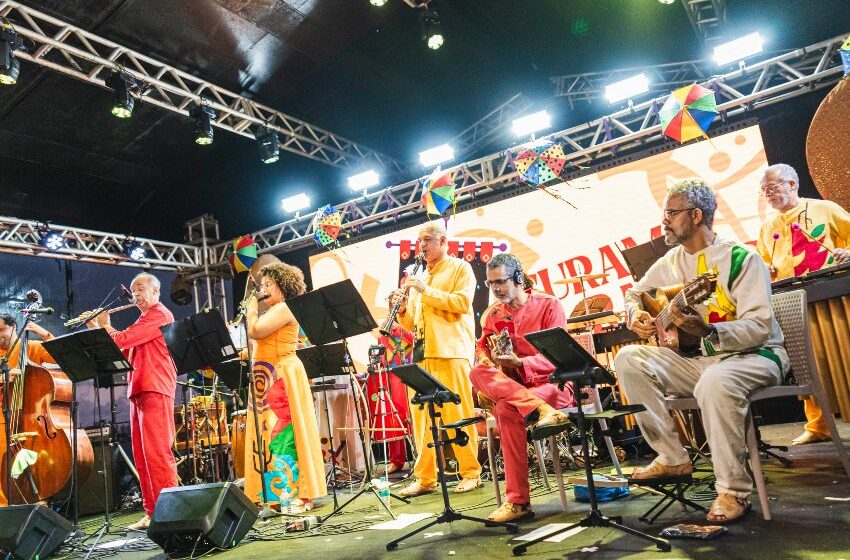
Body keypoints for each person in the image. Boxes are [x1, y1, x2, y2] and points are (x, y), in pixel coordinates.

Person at [615, 179, 788, 524]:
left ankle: (733, 491)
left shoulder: (741, 258)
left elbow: (760, 328)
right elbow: (634, 293)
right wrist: (635, 314)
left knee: (714, 381)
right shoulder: (673, 260)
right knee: (628, 358)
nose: (664, 221)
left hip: (758, 356)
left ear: (696, 215)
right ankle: (671, 456)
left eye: (671, 213)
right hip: (703, 361)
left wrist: (710, 330)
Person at [469, 253, 572, 523]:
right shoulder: (492, 315)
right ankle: (542, 410)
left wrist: (521, 363)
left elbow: (559, 357)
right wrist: (483, 357)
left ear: (517, 278)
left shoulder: (549, 305)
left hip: (553, 383)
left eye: (500, 282)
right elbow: (482, 345)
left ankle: (517, 502)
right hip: (521, 390)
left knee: (505, 408)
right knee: (476, 371)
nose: (495, 289)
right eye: (491, 284)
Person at [754, 163, 850, 446]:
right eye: (764, 191)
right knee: (807, 364)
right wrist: (767, 270)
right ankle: (818, 425)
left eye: (773, 187)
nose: (769, 194)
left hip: (829, 293)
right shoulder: (766, 227)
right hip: (791, 300)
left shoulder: (825, 208)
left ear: (792, 184)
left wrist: (847, 253)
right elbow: (763, 262)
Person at [391, 222, 482, 497]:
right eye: (420, 242)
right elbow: (412, 323)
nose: (423, 246)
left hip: (451, 351)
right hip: (422, 353)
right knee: (422, 418)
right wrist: (402, 307)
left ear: (444, 242)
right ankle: (425, 477)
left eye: (428, 240)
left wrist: (424, 291)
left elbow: (462, 303)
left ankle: (471, 473)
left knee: (458, 412)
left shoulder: (459, 268)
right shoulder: (421, 276)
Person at [88, 273, 177, 531]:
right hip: (139, 388)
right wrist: (97, 328)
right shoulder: (143, 319)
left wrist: (106, 325)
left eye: (140, 289)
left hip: (156, 387)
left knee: (158, 454)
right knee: (142, 456)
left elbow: (123, 340)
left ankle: (170, 513)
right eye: (134, 290)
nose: (136, 294)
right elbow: (122, 350)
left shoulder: (159, 314)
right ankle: (152, 513)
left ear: (155, 292)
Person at [244, 262, 327, 512]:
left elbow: (256, 331)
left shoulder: (285, 307)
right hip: (267, 375)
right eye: (263, 284)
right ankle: (277, 493)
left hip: (281, 377)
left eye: (270, 284)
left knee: (285, 434)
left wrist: (250, 310)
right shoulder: (274, 310)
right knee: (268, 436)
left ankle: (300, 494)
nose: (264, 289)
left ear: (284, 287)